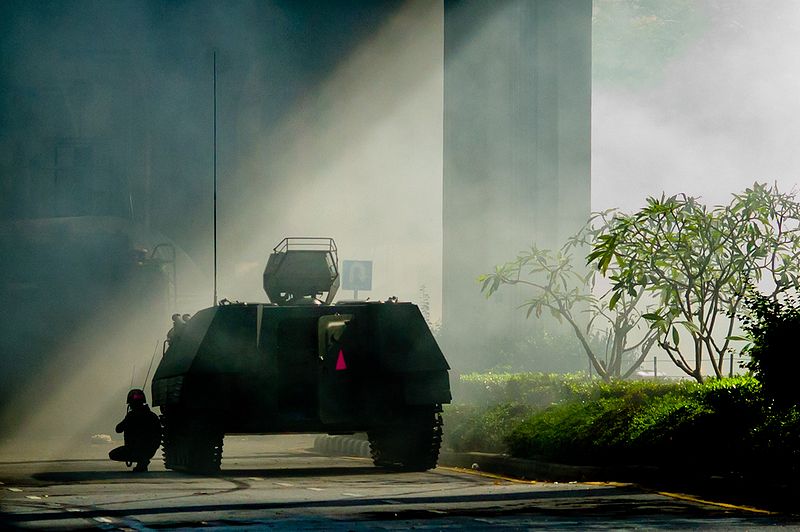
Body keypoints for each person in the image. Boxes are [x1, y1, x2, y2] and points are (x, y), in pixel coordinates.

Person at [109, 389, 162, 472]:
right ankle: (143, 461)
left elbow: (118, 429)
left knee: (113, 454)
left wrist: (127, 418)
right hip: (150, 450)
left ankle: (141, 460)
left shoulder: (131, 416)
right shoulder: (152, 416)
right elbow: (159, 434)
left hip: (134, 449)